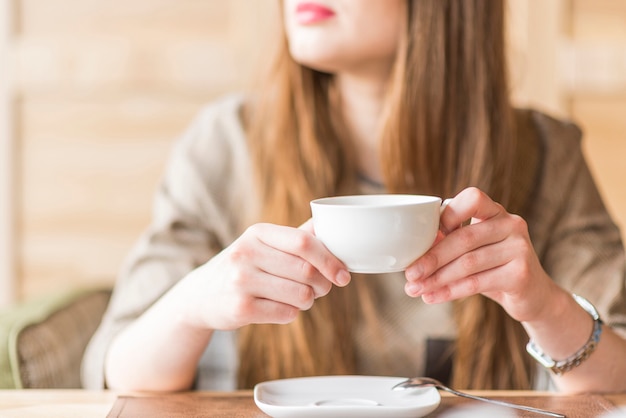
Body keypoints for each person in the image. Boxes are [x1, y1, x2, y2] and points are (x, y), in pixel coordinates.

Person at [82, 0, 626, 393]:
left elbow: (619, 380)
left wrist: (545, 306)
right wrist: (192, 306)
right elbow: (113, 372)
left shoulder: (546, 153)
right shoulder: (227, 143)